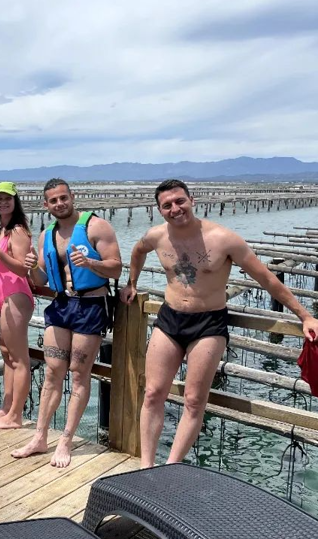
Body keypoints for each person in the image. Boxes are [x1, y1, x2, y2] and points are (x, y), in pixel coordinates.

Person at [121, 179, 318, 468]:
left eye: (180, 201)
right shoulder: (156, 236)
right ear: (159, 210)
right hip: (169, 318)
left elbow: (266, 278)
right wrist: (132, 284)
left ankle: (170, 467)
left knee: (193, 401)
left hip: (208, 324)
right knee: (152, 393)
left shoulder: (224, 239)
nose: (175, 209)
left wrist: (304, 315)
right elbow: (137, 252)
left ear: (192, 200)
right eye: (167, 205)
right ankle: (146, 467)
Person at [12, 178, 122, 468]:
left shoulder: (96, 227)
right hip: (61, 305)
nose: (59, 204)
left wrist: (91, 265)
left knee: (78, 374)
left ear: (72, 197)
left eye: (63, 198)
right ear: (45, 205)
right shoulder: (47, 234)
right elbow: (41, 280)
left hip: (91, 304)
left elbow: (116, 267)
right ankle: (39, 436)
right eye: (53, 200)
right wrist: (28, 269)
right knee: (52, 372)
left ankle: (66, 440)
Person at [0, 182, 35, 430]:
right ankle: (7, 407)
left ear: (15, 201)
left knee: (20, 359)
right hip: (1, 299)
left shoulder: (18, 230)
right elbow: (2, 265)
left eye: (7, 198)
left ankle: (16, 416)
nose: (3, 202)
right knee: (8, 357)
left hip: (16, 297)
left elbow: (22, 267)